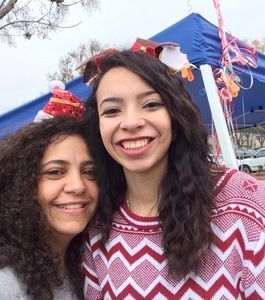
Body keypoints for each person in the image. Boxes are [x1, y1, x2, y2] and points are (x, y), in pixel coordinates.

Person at [81, 41, 265, 299]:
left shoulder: (246, 205)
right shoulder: (98, 229)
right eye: (112, 110)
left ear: (176, 116)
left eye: (151, 104)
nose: (131, 122)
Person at [0, 115, 99, 300]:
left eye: (89, 172)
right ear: (20, 184)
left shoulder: (87, 264)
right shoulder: (6, 284)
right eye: (55, 172)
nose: (78, 186)